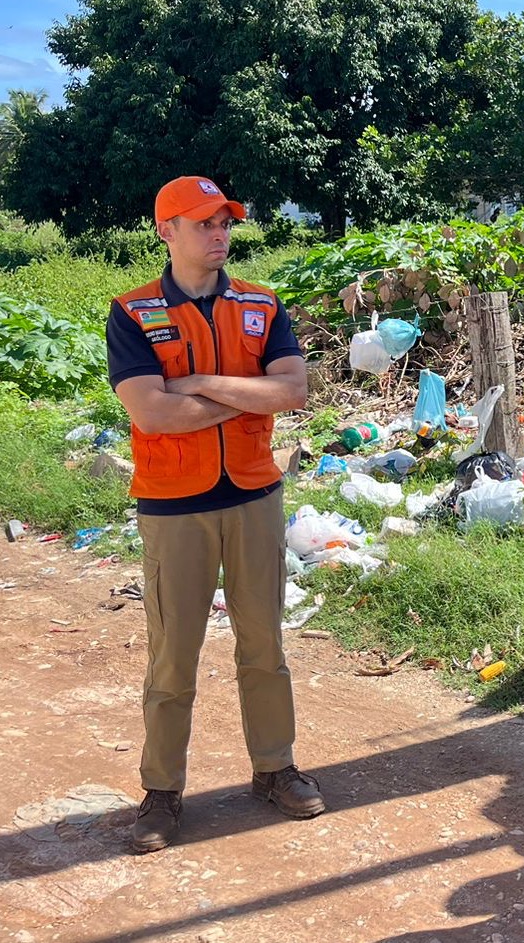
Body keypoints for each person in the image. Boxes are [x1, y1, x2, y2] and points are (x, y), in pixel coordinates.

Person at [106, 176, 322, 853]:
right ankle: (162, 791)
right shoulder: (133, 311)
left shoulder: (261, 304)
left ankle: (275, 768)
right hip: (175, 507)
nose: (219, 234)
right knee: (174, 655)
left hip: (255, 495)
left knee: (266, 646)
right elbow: (153, 411)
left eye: (225, 221)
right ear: (166, 230)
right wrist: (249, 397)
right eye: (203, 223)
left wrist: (199, 383)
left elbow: (294, 390)